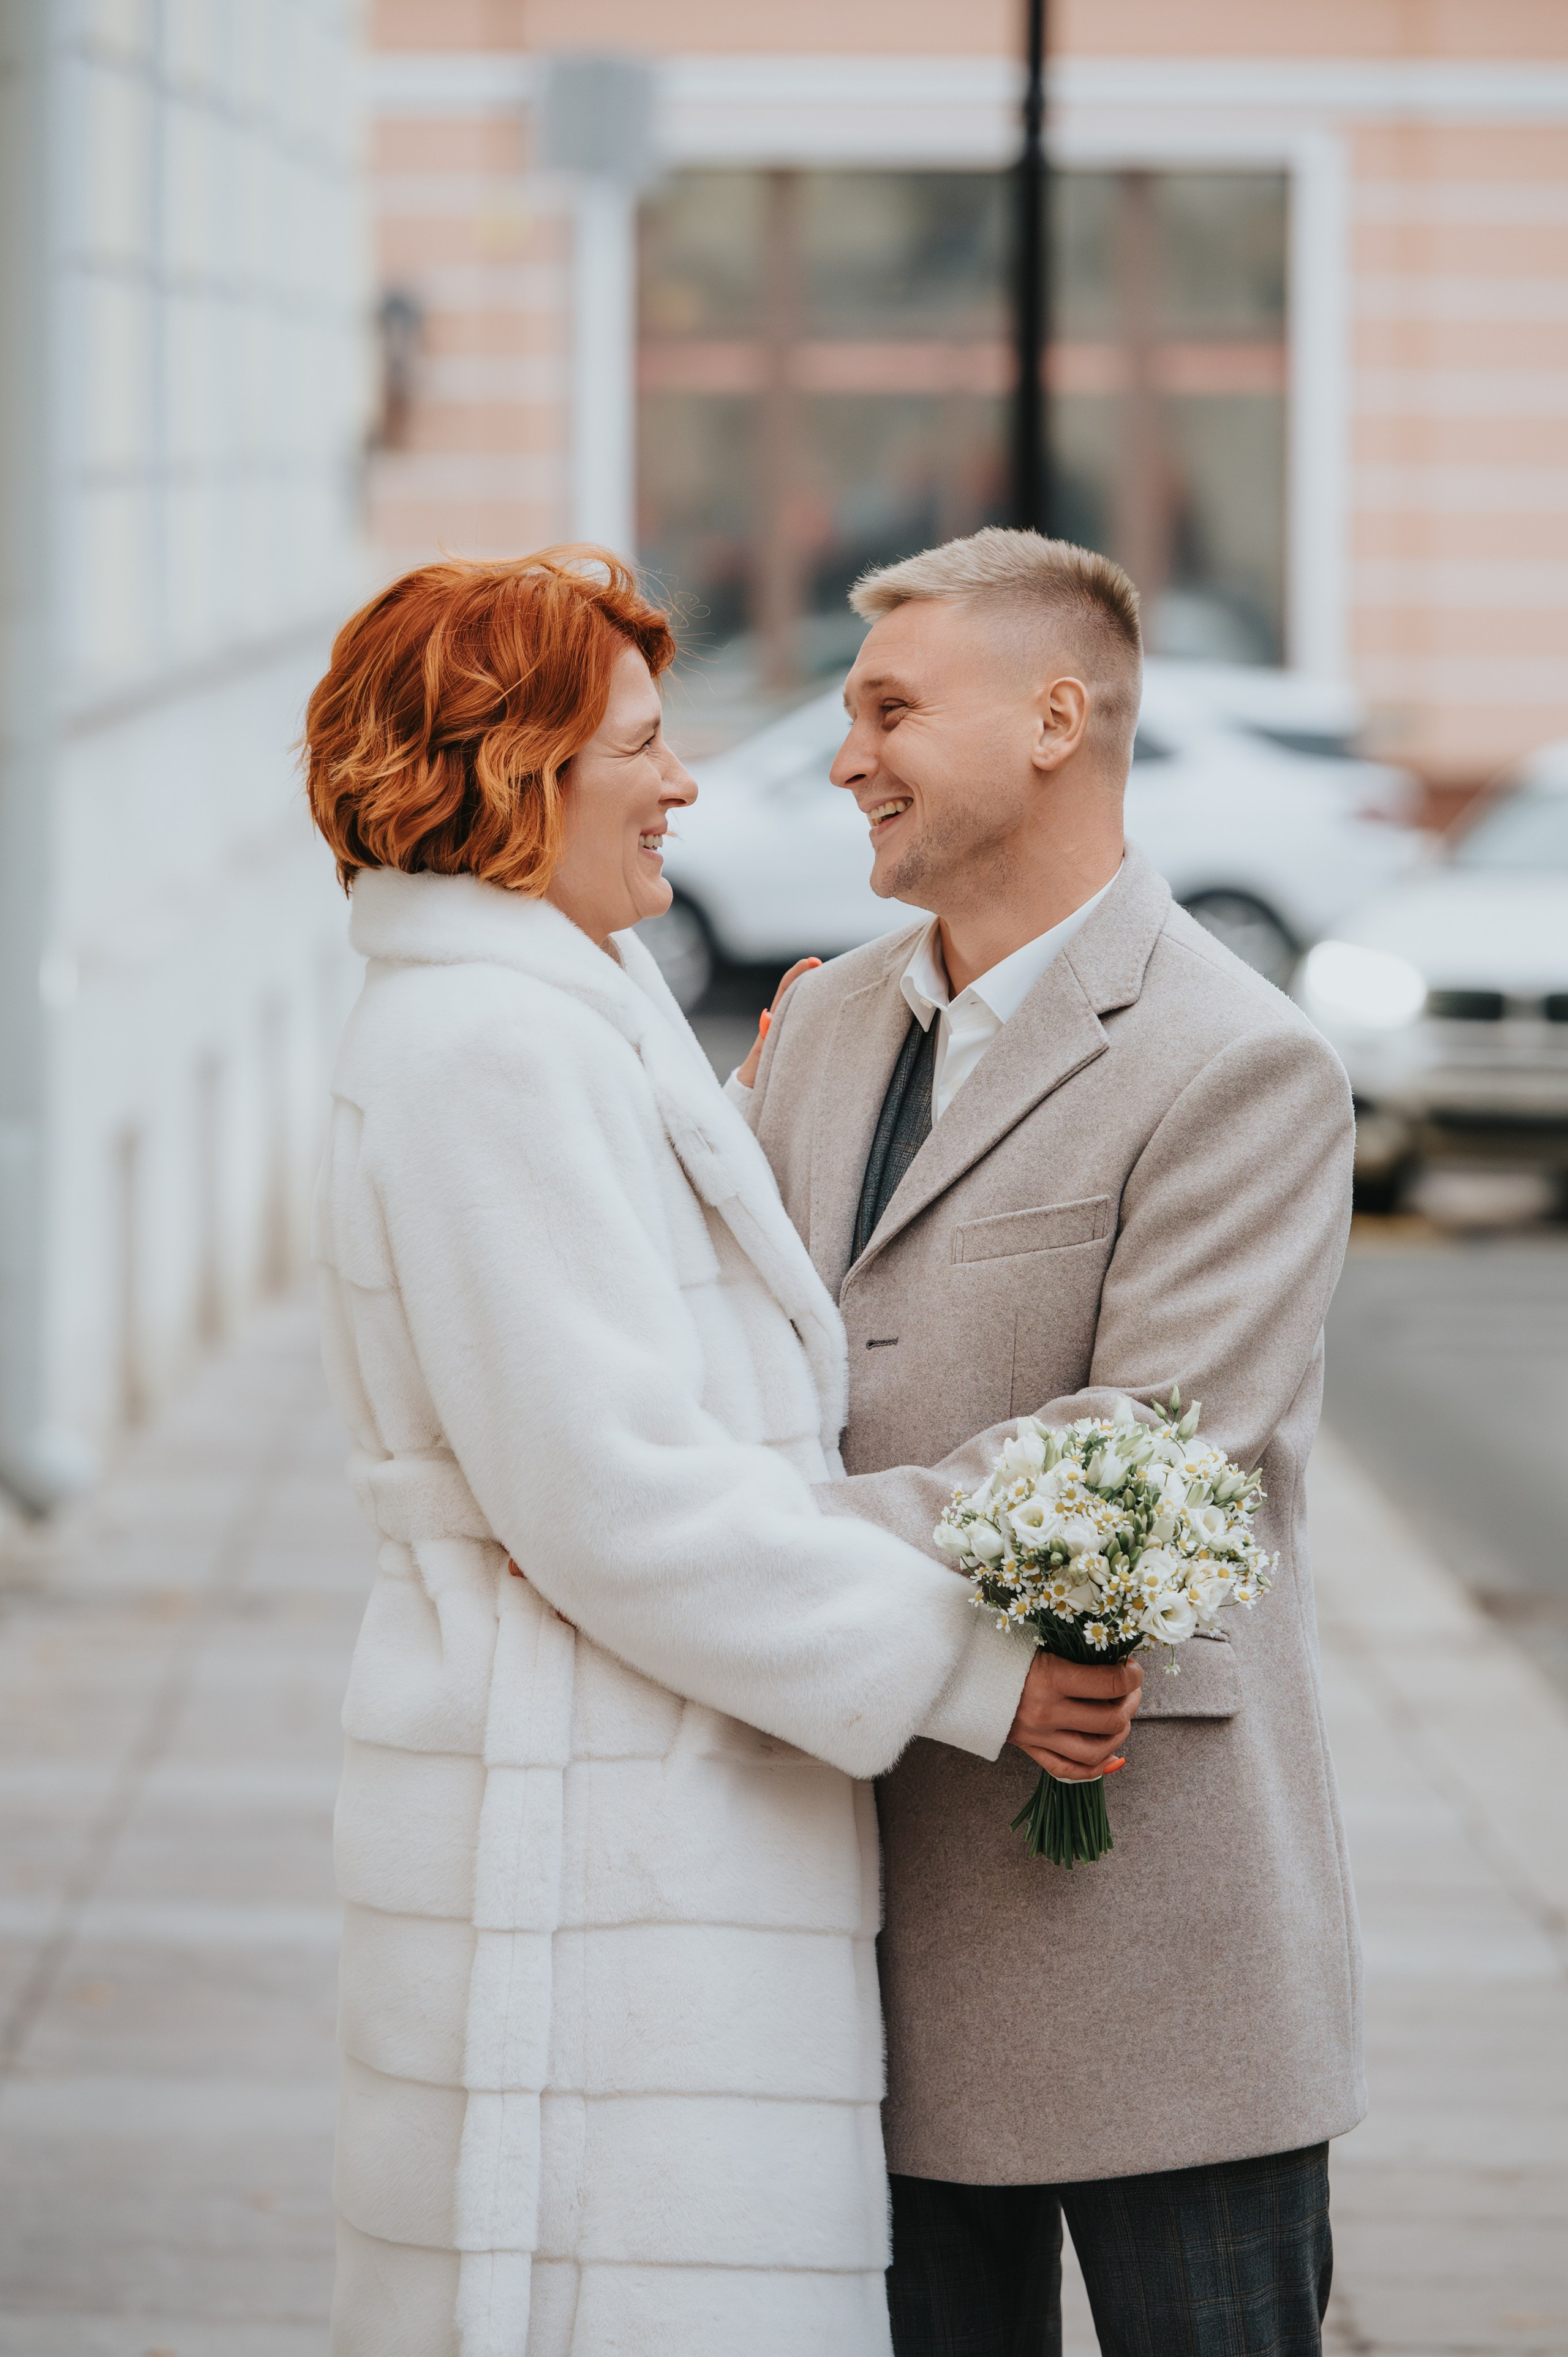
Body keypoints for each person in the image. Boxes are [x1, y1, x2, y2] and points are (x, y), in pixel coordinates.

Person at [301, 549, 1068, 2357]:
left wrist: (742, 1121)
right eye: (642, 744)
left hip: (647, 1783)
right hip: (600, 1831)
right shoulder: (491, 1041)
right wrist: (974, 1668)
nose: (688, 781)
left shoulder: (568, 1001)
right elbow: (615, 1494)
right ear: (516, 772)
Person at [734, 527, 1364, 2357]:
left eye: (890, 708)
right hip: (854, 1912)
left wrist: (738, 1541)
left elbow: (1152, 1446)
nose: (846, 754)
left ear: (1056, 720)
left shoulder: (1240, 1060)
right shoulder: (818, 1025)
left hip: (1148, 1934)